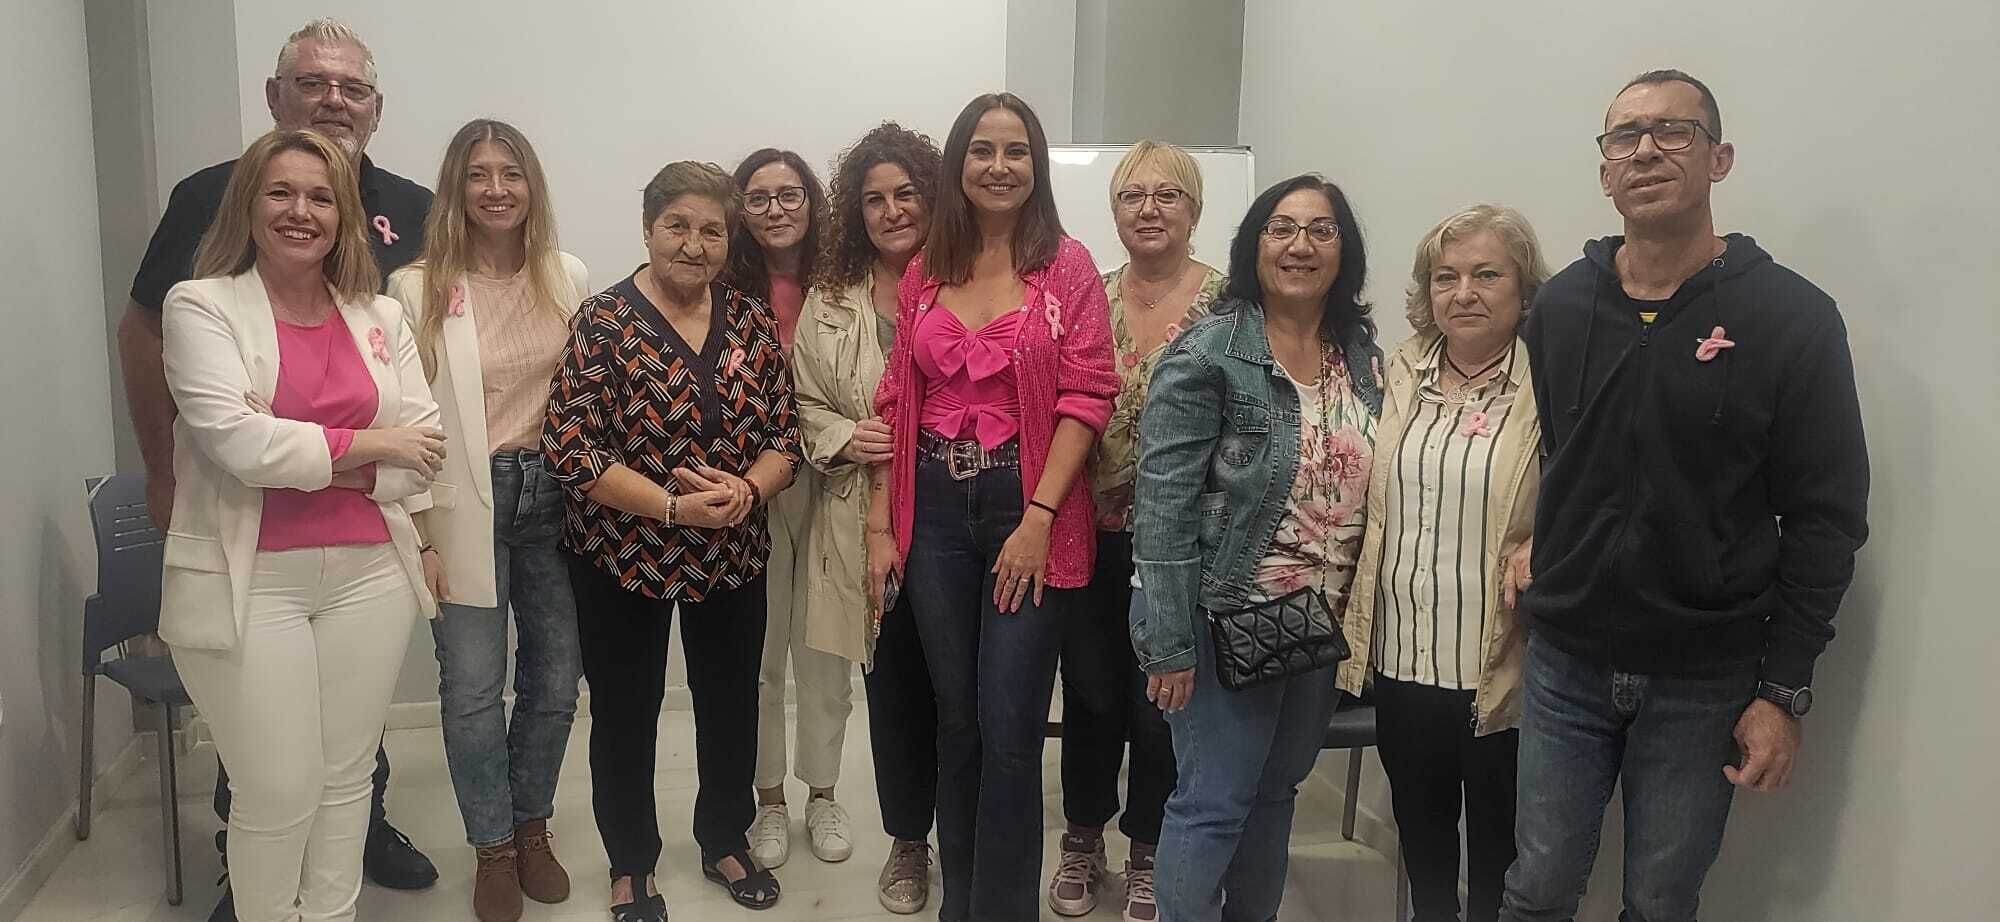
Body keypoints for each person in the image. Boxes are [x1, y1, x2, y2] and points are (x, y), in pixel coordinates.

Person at [1501, 70, 1869, 922]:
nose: (1646, 150)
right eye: (1624, 136)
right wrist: (1544, 543)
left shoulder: (1793, 318)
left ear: (1719, 158)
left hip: (1705, 675)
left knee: (1661, 901)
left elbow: (1825, 520)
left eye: (1673, 131)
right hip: (1566, 660)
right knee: (1537, 889)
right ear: (1605, 170)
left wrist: (1783, 690)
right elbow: (1565, 456)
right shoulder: (1561, 308)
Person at [116, 19, 436, 921]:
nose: (302, 212)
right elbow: (239, 444)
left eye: (321, 198)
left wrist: (339, 459)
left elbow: (425, 443)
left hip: (369, 573)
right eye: (281, 194)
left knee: (345, 781)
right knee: (275, 790)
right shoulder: (202, 306)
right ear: (248, 206)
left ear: (345, 214)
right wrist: (369, 448)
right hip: (250, 578)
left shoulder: (378, 314)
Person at [866, 92, 1118, 922]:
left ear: (1036, 166)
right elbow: (897, 401)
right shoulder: (925, 271)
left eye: (1016, 151)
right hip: (934, 506)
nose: (999, 166)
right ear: (958, 164)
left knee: (1011, 730)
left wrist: (1039, 520)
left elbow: (1087, 396)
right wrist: (881, 524)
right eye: (982, 150)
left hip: (1024, 502)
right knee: (958, 722)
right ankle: (961, 904)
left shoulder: (1067, 266)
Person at [543, 160, 801, 921]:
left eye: (711, 231)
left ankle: (724, 837)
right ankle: (631, 863)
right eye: (677, 226)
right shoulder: (602, 321)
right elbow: (572, 450)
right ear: (648, 229)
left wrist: (749, 490)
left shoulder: (750, 319)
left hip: (732, 550)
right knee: (626, 710)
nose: (694, 245)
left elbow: (785, 437)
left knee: (731, 703)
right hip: (621, 554)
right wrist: (670, 508)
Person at [1133, 174, 1383, 922]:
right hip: (1221, 613)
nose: (1301, 245)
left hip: (1317, 620)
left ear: (1344, 251)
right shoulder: (1208, 353)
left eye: (1321, 230)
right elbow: (1163, 508)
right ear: (1254, 246)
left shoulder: (1359, 355)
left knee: (1276, 795)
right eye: (1282, 228)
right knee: (1214, 801)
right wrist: (1170, 643)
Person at [385, 119, 590, 922]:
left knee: (556, 678)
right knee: (472, 685)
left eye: (511, 173)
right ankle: (494, 847)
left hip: (554, 494)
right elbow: (401, 414)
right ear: (455, 188)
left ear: (531, 185)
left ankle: (532, 824)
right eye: (479, 174)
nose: (497, 189)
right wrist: (420, 535)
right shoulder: (417, 288)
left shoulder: (564, 275)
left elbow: (588, 393)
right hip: (460, 501)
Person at [1342, 204, 1549, 922]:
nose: (1464, 293)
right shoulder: (1394, 374)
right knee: (1424, 842)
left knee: (1499, 855)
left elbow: (1598, 487)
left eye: (1487, 275)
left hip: (1498, 665)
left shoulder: (1549, 386)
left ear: (1523, 289)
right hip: (1402, 658)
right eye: (1445, 277)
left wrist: (1548, 539)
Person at [1053, 140, 1224, 922]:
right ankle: (1082, 836)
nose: (1149, 210)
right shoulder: (1087, 294)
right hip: (1088, 532)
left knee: (1162, 704)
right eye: (1132, 196)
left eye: (1168, 195)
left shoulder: (1230, 304)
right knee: (1090, 693)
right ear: (1114, 209)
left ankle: (1149, 849)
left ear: (1195, 209)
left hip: (1183, 546)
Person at [788, 121, 943, 915]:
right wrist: (846, 436)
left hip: (958, 521)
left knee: (967, 695)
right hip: (864, 526)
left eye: (906, 194)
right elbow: (802, 404)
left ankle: (970, 833)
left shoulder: (970, 283)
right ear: (856, 212)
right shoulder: (830, 301)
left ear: (933, 197)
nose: (891, 212)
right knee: (893, 689)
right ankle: (909, 842)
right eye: (874, 200)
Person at [723, 148, 856, 870]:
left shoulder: (845, 281)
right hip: (753, 486)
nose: (776, 209)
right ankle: (768, 798)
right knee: (762, 649)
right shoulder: (723, 283)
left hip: (835, 479)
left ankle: (823, 792)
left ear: (812, 201)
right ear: (740, 207)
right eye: (759, 197)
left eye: (790, 194)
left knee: (826, 647)